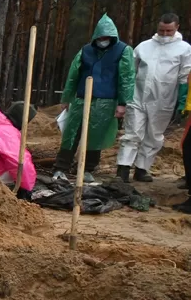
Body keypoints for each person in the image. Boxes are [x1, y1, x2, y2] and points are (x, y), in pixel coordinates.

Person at [53, 14, 136, 185]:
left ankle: (87, 169)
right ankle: (61, 167)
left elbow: (126, 78)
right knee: (72, 133)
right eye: (100, 37)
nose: (103, 40)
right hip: (82, 98)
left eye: (106, 37)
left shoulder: (123, 51)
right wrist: (67, 97)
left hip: (106, 100)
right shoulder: (86, 50)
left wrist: (122, 103)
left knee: (96, 135)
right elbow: (73, 75)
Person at [116, 13, 191, 183]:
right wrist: (125, 96)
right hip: (138, 96)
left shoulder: (185, 49)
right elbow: (131, 72)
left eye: (168, 31)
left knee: (154, 135)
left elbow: (185, 76)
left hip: (164, 99)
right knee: (132, 133)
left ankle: (142, 169)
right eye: (161, 30)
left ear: (177, 28)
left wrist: (182, 101)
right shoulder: (144, 46)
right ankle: (123, 168)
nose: (164, 34)